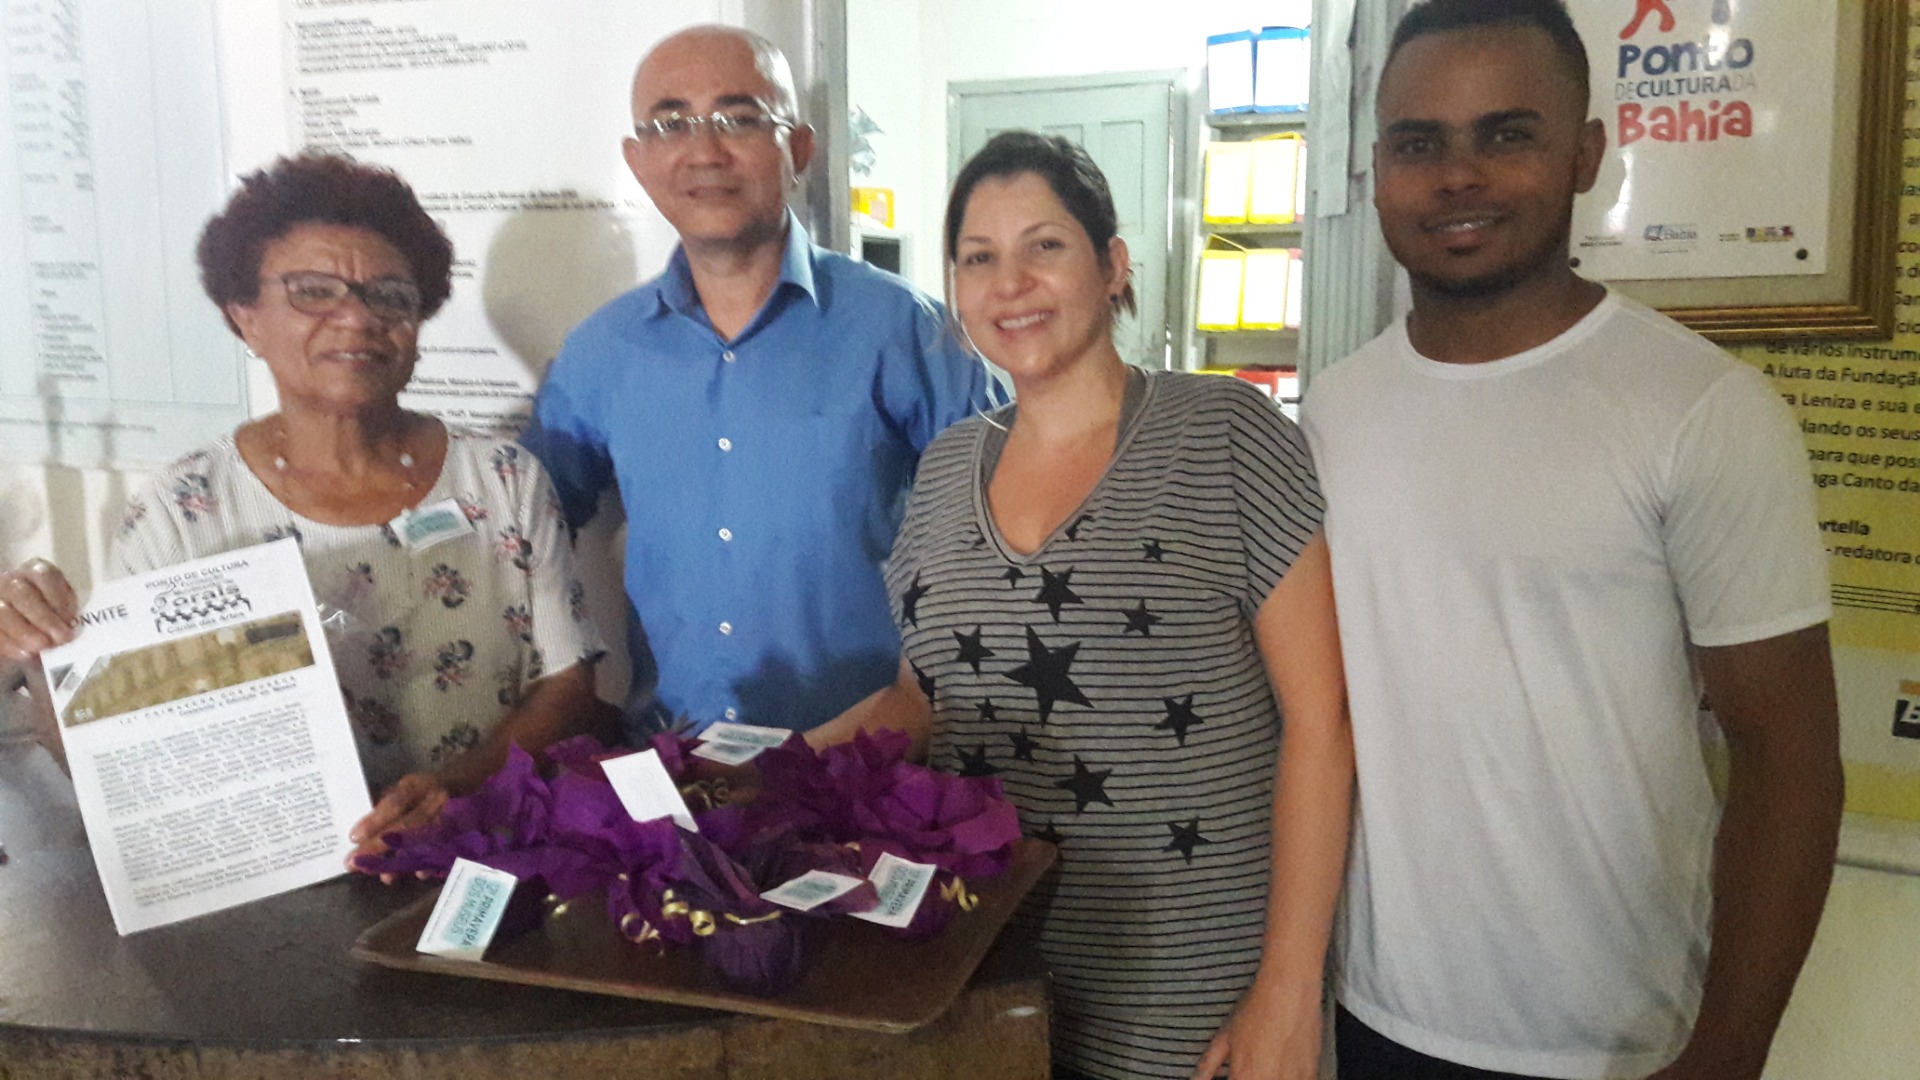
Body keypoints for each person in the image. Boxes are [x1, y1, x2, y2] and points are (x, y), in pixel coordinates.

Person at [1299, 3, 1842, 1078]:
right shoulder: (1334, 412)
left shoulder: (1700, 410)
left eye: (1507, 135)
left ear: (1587, 153)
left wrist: (1727, 1053)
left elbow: (1789, 763)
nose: (1459, 176)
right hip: (1376, 1018)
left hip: (1620, 1040)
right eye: (1419, 143)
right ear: (1378, 171)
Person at [811, 131, 1353, 1080]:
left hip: (1194, 998)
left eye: (1045, 246)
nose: (1010, 283)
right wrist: (763, 771)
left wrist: (1288, 986)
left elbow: (1322, 720)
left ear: (1112, 266)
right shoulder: (944, 470)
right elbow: (922, 699)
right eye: (979, 258)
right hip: (984, 982)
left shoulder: (1223, 433)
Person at [0, 153, 610, 861]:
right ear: (245, 318)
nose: (357, 318)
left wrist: (456, 788)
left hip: (477, 843)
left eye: (389, 295)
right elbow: (121, 749)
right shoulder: (183, 509)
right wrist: (40, 651)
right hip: (268, 867)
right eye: (314, 292)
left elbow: (567, 682)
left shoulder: (503, 477)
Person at [520, 25, 994, 739]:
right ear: (639, 161)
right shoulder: (601, 353)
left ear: (798, 149)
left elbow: (1007, 526)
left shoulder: (904, 329)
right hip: (679, 765)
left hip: (868, 762)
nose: (705, 151)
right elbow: (524, 523)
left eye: (738, 118)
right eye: (671, 123)